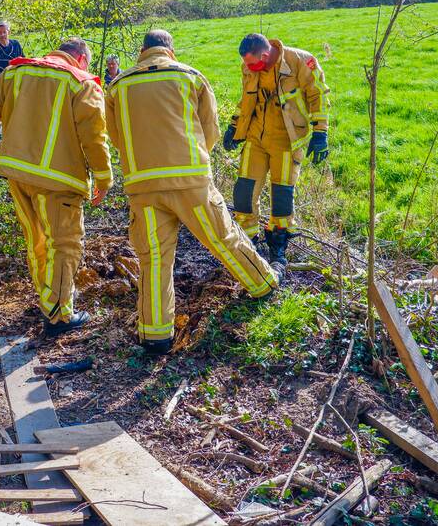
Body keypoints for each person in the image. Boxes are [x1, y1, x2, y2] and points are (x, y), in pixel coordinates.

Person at [105, 30, 279, 355]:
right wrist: (194, 159)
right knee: (222, 236)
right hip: (190, 179)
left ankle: (156, 335)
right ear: (170, 50)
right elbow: (209, 129)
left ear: (142, 51)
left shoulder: (118, 86)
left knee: (154, 259)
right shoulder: (190, 77)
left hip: (143, 186)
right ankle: (263, 283)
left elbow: (116, 136)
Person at [0, 38, 111, 337]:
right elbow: (94, 138)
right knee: (64, 245)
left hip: (17, 174)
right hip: (59, 180)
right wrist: (103, 178)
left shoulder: (15, 72)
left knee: (37, 241)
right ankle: (59, 315)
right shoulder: (81, 83)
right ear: (82, 59)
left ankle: (46, 299)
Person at [223, 33, 330, 275]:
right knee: (243, 191)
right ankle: (247, 243)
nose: (248, 68)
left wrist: (320, 132)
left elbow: (318, 95)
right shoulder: (250, 67)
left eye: (252, 63)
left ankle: (277, 250)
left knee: (282, 196)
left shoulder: (300, 61)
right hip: (255, 138)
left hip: (287, 140)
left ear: (264, 55)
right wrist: (234, 126)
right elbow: (246, 100)